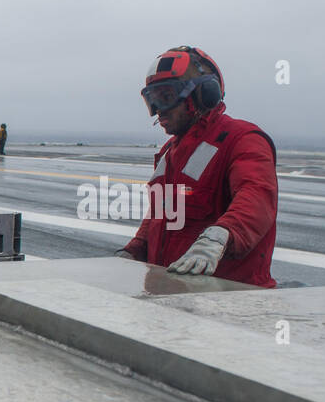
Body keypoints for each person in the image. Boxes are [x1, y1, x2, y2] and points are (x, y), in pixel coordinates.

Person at [118, 46, 278, 287]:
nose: (158, 109)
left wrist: (220, 236)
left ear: (204, 94)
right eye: (152, 99)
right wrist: (133, 251)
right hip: (172, 297)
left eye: (166, 96)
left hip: (231, 302)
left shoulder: (242, 139)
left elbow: (256, 196)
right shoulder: (169, 153)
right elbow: (159, 216)